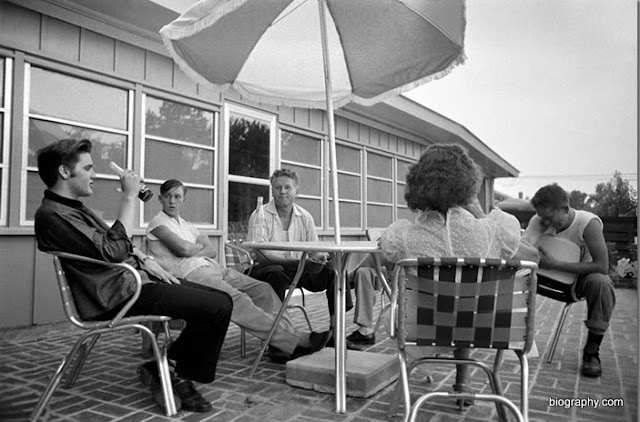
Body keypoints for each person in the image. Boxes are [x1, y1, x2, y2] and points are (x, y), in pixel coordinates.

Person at [34, 139, 233, 414]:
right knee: (217, 307)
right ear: (65, 172)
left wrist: (145, 259)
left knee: (221, 299)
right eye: (88, 168)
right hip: (116, 295)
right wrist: (129, 198)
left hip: (133, 281)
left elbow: (115, 244)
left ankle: (166, 367)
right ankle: (175, 373)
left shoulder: (73, 208)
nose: (94, 175)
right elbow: (113, 250)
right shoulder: (52, 215)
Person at [379, 143, 538, 406]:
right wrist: (478, 211)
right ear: (469, 184)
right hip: (488, 329)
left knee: (428, 305)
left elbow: (386, 253)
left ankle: (419, 376)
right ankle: (465, 379)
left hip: (424, 328)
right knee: (468, 300)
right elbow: (527, 254)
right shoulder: (497, 229)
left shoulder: (402, 235)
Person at [146, 179, 331, 363]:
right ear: (160, 199)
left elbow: (211, 250)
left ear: (183, 199)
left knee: (263, 289)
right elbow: (183, 250)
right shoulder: (157, 223)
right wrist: (194, 247)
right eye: (168, 196)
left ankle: (291, 337)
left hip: (214, 268)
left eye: (177, 196)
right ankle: (296, 342)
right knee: (237, 299)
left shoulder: (187, 225)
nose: (172, 201)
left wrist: (191, 247)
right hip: (190, 275)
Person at [522, 184, 616, 378]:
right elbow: (522, 251)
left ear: (565, 209)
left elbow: (602, 266)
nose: (545, 222)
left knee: (602, 283)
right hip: (541, 276)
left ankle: (592, 353)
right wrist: (534, 232)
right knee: (513, 273)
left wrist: (555, 264)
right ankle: (518, 340)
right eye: (542, 217)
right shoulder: (538, 221)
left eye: (549, 217)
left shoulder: (588, 223)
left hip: (578, 281)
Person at [247, 169, 353, 336]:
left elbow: (313, 251)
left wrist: (320, 259)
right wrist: (300, 263)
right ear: (272, 190)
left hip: (297, 269)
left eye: (287, 187)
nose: (282, 191)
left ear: (297, 191)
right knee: (276, 274)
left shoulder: (305, 217)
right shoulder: (260, 215)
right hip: (263, 270)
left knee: (335, 271)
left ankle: (335, 332)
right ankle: (279, 337)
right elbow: (262, 257)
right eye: (277, 187)